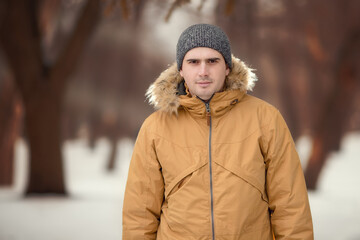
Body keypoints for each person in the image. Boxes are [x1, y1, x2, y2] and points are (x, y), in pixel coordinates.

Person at [122, 23, 313, 240]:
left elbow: (290, 205)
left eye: (212, 61)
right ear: (181, 69)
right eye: (193, 62)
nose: (203, 71)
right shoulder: (155, 127)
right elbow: (140, 212)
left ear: (227, 67)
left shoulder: (266, 119)